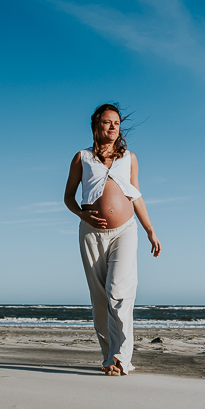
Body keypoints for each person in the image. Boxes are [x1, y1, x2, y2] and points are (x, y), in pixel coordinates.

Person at [64, 103, 162, 376]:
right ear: (96, 125)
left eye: (116, 123)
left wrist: (150, 229)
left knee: (119, 291)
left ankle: (121, 359)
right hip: (91, 233)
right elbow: (68, 198)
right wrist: (85, 217)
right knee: (99, 299)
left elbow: (135, 195)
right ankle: (108, 357)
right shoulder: (82, 158)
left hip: (125, 231)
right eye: (107, 122)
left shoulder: (129, 158)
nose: (113, 127)